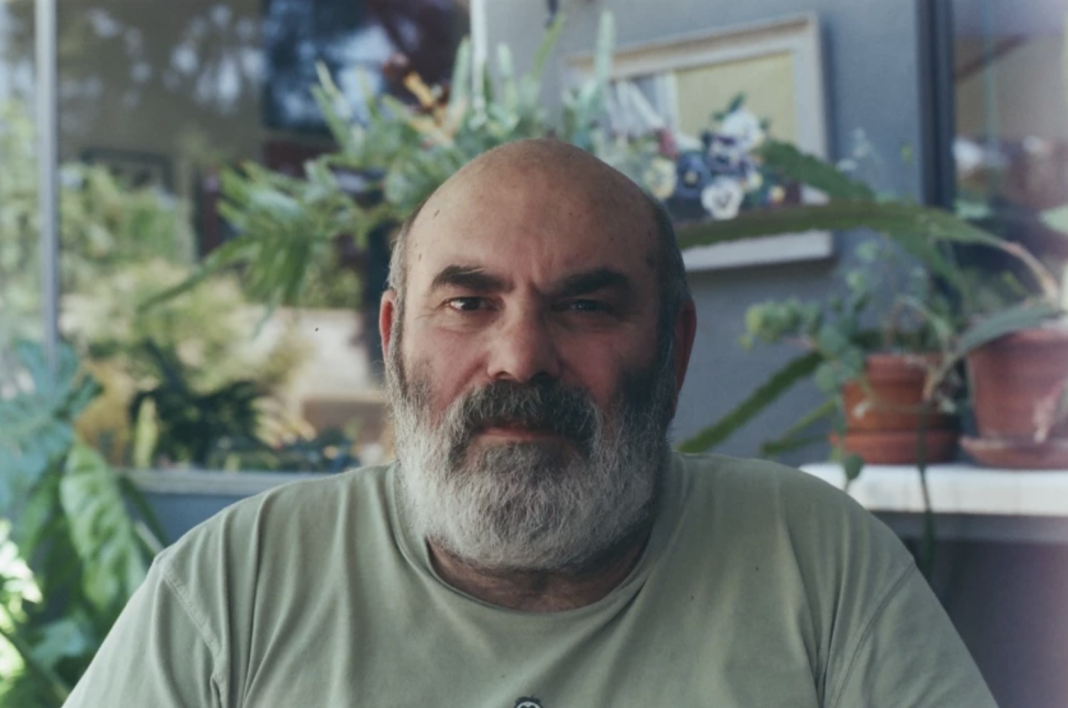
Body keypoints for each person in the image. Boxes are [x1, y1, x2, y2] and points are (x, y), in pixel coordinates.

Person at [65, 139, 996, 707]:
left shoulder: (818, 561)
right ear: (392, 342)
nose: (520, 357)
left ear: (673, 349)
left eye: (585, 307)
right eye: (468, 303)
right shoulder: (233, 585)